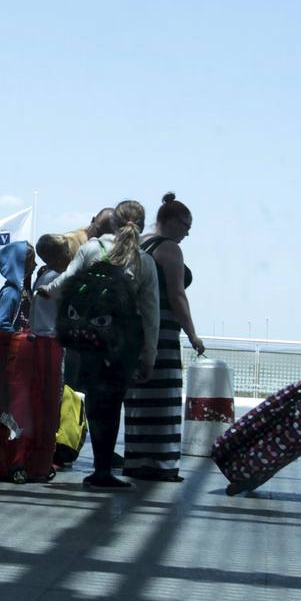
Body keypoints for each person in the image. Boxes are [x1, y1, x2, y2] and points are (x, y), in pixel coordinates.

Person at [39, 199, 160, 489]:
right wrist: (149, 356)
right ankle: (106, 469)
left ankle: (98, 468)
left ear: (113, 222)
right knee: (114, 402)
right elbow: (151, 313)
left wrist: (46, 290)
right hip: (123, 344)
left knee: (94, 401)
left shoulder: (91, 248)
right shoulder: (144, 261)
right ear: (140, 227)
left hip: (89, 340)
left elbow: (65, 283)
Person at [127, 193, 207, 482]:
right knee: (164, 397)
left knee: (139, 397)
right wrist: (193, 333)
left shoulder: (140, 242)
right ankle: (160, 462)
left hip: (137, 331)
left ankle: (136, 459)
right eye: (186, 224)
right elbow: (177, 295)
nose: (187, 231)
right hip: (162, 332)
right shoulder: (169, 249)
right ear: (170, 221)